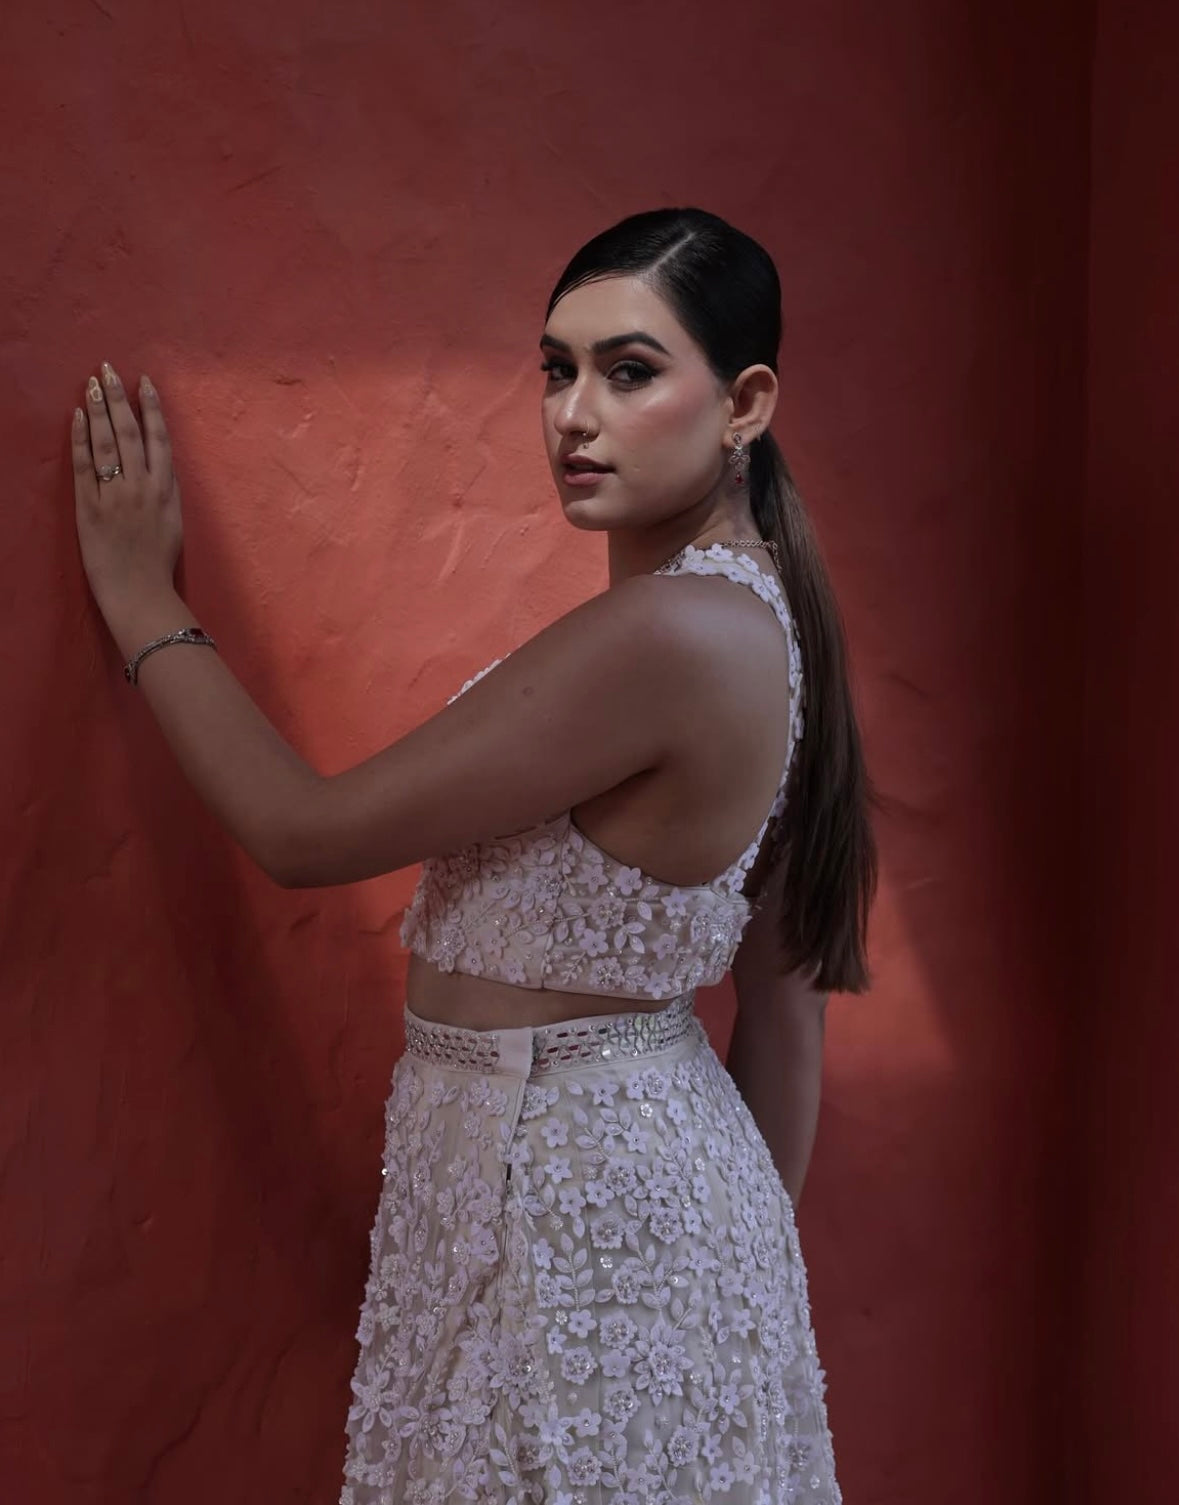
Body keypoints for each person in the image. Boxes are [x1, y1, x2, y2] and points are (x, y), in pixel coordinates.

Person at [70, 207, 876, 1504]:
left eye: (628, 370)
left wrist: (143, 599)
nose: (573, 412)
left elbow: (304, 832)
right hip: (608, 1203)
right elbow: (787, 1019)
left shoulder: (671, 638)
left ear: (745, 403)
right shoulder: (754, 622)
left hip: (574, 1208)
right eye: (555, 369)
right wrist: (725, 1293)